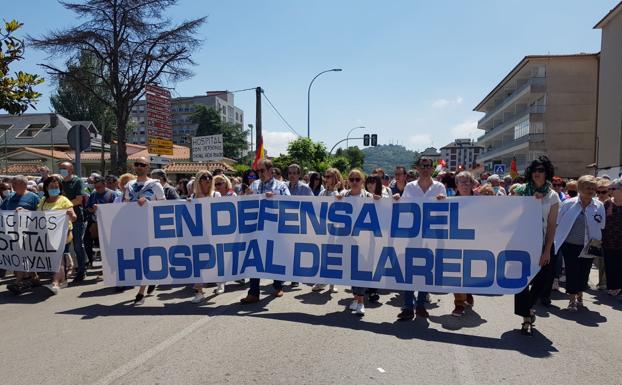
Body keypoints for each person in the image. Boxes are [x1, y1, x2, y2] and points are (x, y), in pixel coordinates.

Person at [394, 157, 446, 319]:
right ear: (417, 168)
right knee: (409, 270)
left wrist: (443, 202)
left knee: (425, 269)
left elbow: (446, 210)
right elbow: (405, 208)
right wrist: (397, 200)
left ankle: (421, 303)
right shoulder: (410, 187)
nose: (425, 168)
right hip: (413, 235)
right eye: (422, 165)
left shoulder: (440, 187)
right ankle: (408, 306)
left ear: (432, 169)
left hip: (432, 235)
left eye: (428, 166)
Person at [513, 156, 560, 335]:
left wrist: (547, 251)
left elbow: (551, 226)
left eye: (541, 170)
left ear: (547, 173)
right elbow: (505, 213)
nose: (537, 174)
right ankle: (526, 317)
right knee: (521, 282)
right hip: (522, 242)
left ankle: (529, 308)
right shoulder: (520, 191)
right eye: (534, 170)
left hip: (543, 243)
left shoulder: (553, 195)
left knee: (542, 280)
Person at [240, 159, 290, 304]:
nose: (259, 174)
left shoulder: (280, 186)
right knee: (254, 258)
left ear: (270, 170)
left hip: (274, 229)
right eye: (258, 171)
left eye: (262, 171)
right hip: (256, 229)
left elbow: (289, 202)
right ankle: (254, 292)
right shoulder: (254, 185)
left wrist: (275, 199)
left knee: (274, 256)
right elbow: (244, 203)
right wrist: (246, 195)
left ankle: (278, 285)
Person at [554, 175, 605, 312]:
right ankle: (572, 300)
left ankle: (580, 295)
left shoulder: (599, 206)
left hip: (589, 246)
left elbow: (602, 225)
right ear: (580, 188)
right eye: (587, 187)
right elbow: (558, 222)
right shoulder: (568, 204)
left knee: (584, 272)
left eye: (593, 188)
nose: (591, 190)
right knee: (572, 271)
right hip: (570, 244)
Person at [336, 169, 380, 316]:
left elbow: (385, 210)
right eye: (351, 179)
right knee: (351, 270)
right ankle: (355, 298)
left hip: (365, 241)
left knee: (361, 270)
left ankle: (361, 302)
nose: (354, 182)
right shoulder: (343, 195)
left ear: (363, 181)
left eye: (357, 179)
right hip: (348, 239)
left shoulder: (369, 197)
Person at [124, 157, 166, 305]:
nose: (139, 167)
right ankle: (151, 279)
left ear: (148, 167)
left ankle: (141, 292)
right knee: (139, 259)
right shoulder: (129, 185)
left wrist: (149, 203)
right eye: (137, 164)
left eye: (143, 165)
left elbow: (163, 206)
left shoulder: (155, 185)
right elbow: (125, 205)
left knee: (147, 258)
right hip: (134, 227)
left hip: (151, 227)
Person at [187, 170, 224, 302]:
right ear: (198, 180)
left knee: (215, 260)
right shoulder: (193, 197)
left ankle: (220, 281)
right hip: (198, 235)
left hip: (214, 234)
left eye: (209, 177)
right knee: (198, 263)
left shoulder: (216, 194)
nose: (207, 179)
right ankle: (199, 292)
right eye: (204, 177)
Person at [38, 176, 77, 295]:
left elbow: (74, 218)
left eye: (56, 187)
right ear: (46, 188)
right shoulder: (43, 200)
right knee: (56, 257)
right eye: (51, 187)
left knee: (57, 258)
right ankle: (63, 280)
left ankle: (55, 283)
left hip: (63, 234)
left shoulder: (64, 200)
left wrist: (70, 214)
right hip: (48, 234)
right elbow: (37, 215)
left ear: (60, 188)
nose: (54, 188)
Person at [3, 175, 42, 295]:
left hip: (29, 232)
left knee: (23, 255)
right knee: (22, 256)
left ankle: (18, 282)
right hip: (13, 232)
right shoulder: (9, 197)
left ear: (24, 185)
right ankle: (34, 277)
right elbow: (2, 211)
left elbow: (40, 214)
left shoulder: (33, 197)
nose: (13, 187)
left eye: (15, 184)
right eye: (12, 184)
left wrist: (27, 212)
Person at [450, 171, 477, 317]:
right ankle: (459, 303)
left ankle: (469, 291)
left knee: (471, 271)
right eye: (462, 182)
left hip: (476, 242)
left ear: (473, 184)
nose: (465, 185)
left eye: (468, 182)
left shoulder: (483, 200)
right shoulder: (449, 201)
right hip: (456, 242)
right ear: (457, 185)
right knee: (457, 272)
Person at [311, 168, 343, 293]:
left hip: (338, 229)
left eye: (329, 176)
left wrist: (335, 190)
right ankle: (321, 281)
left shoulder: (342, 192)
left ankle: (332, 283)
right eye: (325, 176)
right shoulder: (322, 193)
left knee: (334, 255)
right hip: (324, 228)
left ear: (335, 178)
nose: (326, 178)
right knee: (323, 255)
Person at [58, 161, 89, 284]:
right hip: (61, 218)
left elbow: (79, 200)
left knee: (77, 245)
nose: (62, 170)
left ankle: (81, 270)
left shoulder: (78, 182)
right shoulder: (58, 183)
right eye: (60, 168)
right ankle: (64, 272)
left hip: (76, 218)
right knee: (63, 247)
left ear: (71, 169)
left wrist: (63, 206)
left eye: (64, 168)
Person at [84, 176, 116, 269]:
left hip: (108, 224)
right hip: (94, 223)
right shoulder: (93, 195)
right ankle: (90, 261)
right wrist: (92, 209)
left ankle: (108, 265)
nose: (97, 189)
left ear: (104, 185)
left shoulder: (112, 194)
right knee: (86, 241)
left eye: (99, 187)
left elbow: (116, 208)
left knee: (105, 245)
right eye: (95, 187)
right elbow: (87, 208)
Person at [603, 178, 622, 296]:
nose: (610, 191)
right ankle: (613, 287)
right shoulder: (607, 203)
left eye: (613, 189)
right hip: (608, 240)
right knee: (610, 264)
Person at [594, 178, 611, 289]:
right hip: (596, 235)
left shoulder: (611, 203)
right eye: (598, 192)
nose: (600, 194)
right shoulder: (594, 202)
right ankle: (602, 281)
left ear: (609, 191)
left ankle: (604, 282)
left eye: (603, 192)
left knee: (605, 260)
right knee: (598, 260)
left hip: (609, 236)